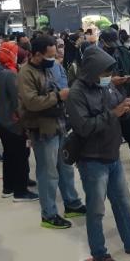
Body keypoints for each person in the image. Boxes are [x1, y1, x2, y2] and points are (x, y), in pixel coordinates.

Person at [66, 46, 130, 261]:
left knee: (122, 202)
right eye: (104, 72)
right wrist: (114, 113)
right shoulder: (77, 93)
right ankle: (99, 253)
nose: (107, 77)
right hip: (92, 159)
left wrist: (128, 107)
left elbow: (118, 104)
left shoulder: (106, 87)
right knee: (97, 209)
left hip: (112, 155)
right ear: (91, 70)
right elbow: (84, 127)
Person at [18, 36, 85, 229]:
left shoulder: (53, 67)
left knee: (65, 167)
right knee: (48, 173)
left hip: (60, 123)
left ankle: (72, 203)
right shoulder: (26, 73)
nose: (53, 58)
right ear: (37, 54)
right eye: (49, 55)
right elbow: (31, 102)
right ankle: (48, 214)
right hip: (42, 128)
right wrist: (57, 96)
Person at [0, 42, 38, 202]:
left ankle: (9, 187)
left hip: (0, 120)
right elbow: (17, 101)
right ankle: (20, 191)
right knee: (20, 155)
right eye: (16, 53)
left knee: (9, 155)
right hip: (13, 122)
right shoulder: (10, 74)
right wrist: (26, 122)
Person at [100, 28, 130, 178]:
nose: (113, 46)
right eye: (110, 43)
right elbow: (89, 81)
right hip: (104, 105)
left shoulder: (124, 53)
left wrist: (129, 81)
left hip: (123, 98)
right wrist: (110, 81)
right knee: (107, 142)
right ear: (102, 42)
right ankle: (106, 172)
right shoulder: (96, 57)